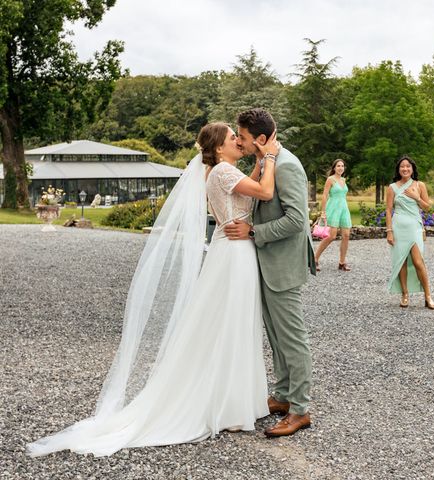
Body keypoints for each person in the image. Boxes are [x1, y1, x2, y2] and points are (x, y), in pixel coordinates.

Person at [27, 122, 280, 457]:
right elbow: (264, 192)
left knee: (232, 322)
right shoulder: (222, 171)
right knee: (229, 323)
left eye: (239, 137)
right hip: (233, 253)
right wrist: (272, 158)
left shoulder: (224, 170)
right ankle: (227, 406)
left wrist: (262, 158)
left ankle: (233, 399)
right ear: (218, 148)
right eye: (233, 138)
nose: (238, 141)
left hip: (234, 249)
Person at [224, 108, 315, 438]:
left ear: (261, 138)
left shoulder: (287, 165)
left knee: (293, 338)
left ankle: (301, 409)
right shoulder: (265, 160)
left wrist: (253, 233)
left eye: (244, 138)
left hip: (283, 265)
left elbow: (296, 221)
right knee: (276, 337)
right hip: (266, 263)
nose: (240, 142)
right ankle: (283, 395)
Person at [386, 155, 434, 310]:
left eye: (408, 166)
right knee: (401, 261)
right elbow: (388, 210)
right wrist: (389, 231)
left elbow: (427, 208)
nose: (405, 169)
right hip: (398, 227)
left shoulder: (419, 185)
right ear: (398, 169)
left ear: (412, 168)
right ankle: (405, 294)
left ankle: (428, 296)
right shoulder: (392, 187)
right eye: (402, 166)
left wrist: (416, 197)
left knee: (417, 261)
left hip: (414, 226)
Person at [314, 159, 353, 271]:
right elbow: (325, 196)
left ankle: (342, 262)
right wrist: (323, 212)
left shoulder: (344, 180)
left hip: (344, 209)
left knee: (346, 235)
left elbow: (343, 195)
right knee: (331, 236)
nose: (341, 168)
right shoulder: (330, 180)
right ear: (334, 168)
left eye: (342, 166)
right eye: (338, 166)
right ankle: (314, 258)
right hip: (333, 208)